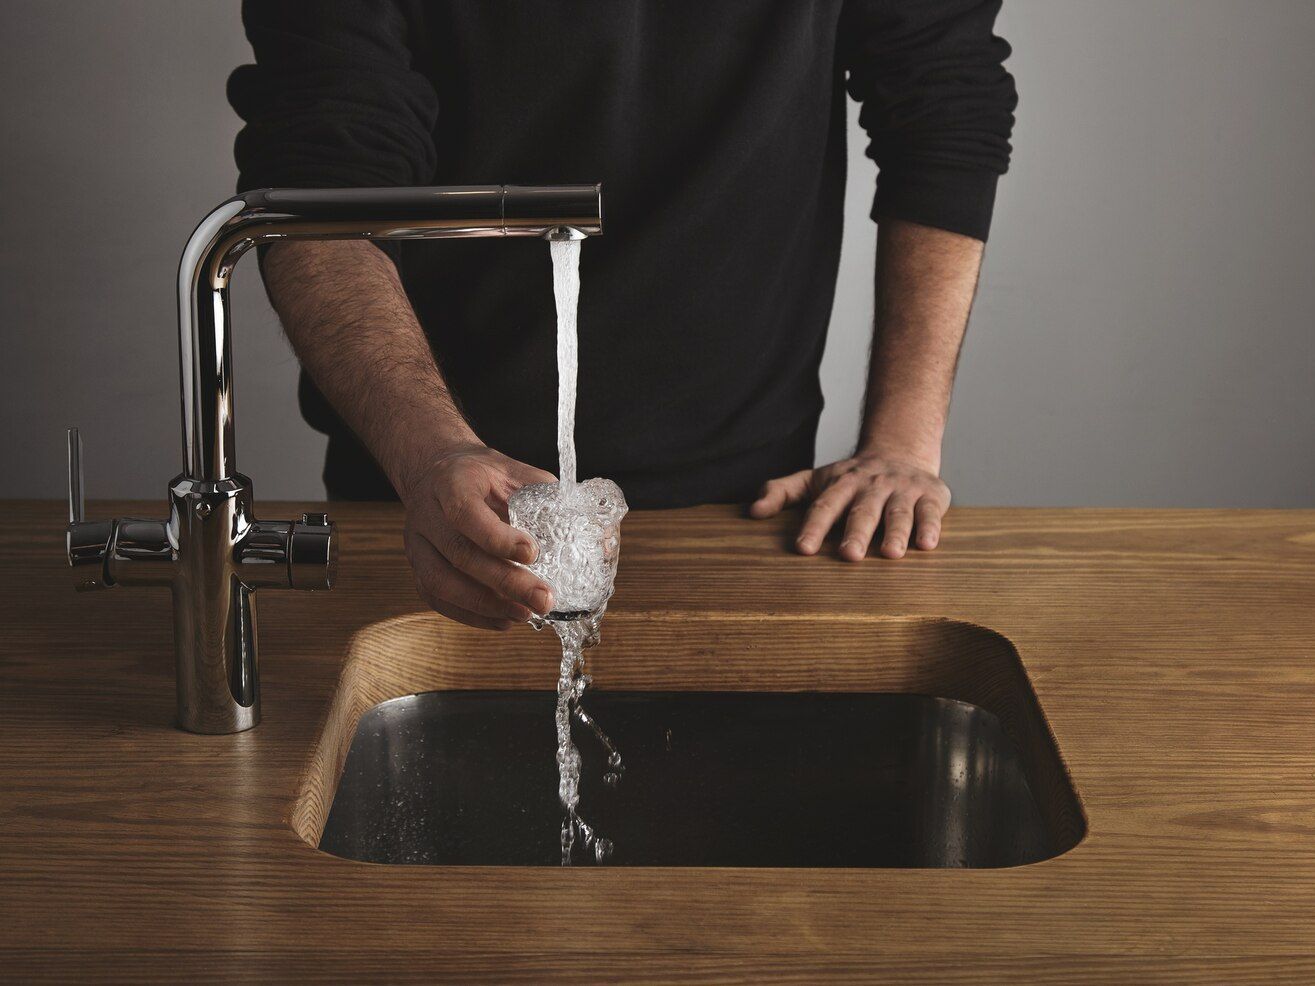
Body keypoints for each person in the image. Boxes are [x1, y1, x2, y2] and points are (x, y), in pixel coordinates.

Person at [228, 1, 1017, 630]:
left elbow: (942, 106)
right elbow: (317, 193)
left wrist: (903, 442)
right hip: (426, 506)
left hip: (750, 509)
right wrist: (431, 455)